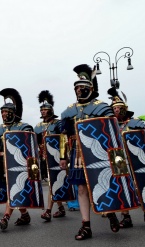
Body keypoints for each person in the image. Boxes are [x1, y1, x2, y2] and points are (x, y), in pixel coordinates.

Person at [59, 64, 118, 240]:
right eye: (76, 88)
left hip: (99, 151)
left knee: (102, 183)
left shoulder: (102, 108)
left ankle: (110, 211)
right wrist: (63, 156)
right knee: (82, 188)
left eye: (82, 88)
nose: (78, 91)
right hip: (77, 152)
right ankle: (86, 225)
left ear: (90, 88)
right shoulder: (69, 111)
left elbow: (111, 132)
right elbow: (64, 135)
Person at [107, 86, 145, 228]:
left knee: (138, 184)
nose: (115, 110)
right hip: (118, 160)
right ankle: (126, 217)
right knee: (121, 187)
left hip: (135, 160)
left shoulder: (135, 124)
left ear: (124, 108)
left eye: (118, 108)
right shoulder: (110, 126)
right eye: (113, 108)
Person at [0, 88, 34, 230]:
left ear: (12, 113)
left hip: (18, 163)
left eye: (5, 112)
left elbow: (28, 144)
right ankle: (24, 214)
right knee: (9, 189)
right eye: (2, 112)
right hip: (2, 163)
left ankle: (6, 217)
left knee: (12, 189)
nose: (3, 114)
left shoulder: (23, 127)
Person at [34, 90, 67, 221]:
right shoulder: (38, 126)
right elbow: (34, 143)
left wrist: (63, 157)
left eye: (45, 110)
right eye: (41, 110)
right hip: (43, 157)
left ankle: (48, 211)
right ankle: (61, 208)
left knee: (52, 183)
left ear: (51, 110)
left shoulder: (58, 124)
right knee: (53, 182)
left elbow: (63, 139)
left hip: (56, 157)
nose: (42, 112)